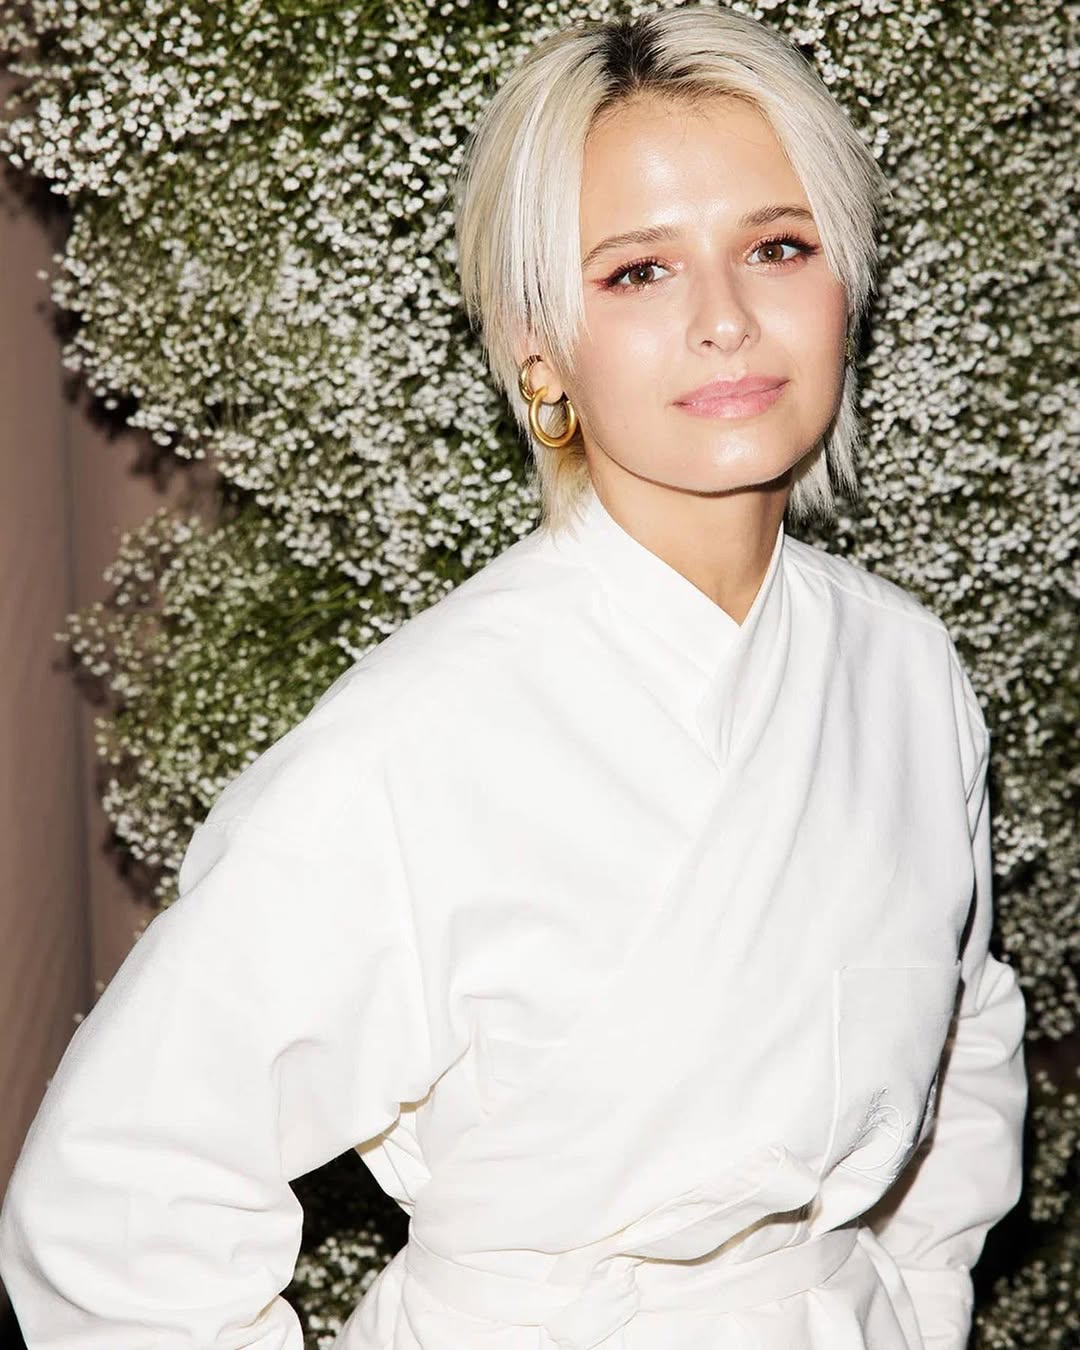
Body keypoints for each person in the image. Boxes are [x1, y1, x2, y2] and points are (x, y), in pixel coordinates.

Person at [0, 7, 1028, 1349]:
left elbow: (966, 1035)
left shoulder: (904, 672)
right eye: (639, 272)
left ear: (848, 286)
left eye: (777, 247)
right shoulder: (423, 733)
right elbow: (120, 1191)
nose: (726, 320)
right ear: (540, 348)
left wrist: (913, 1301)